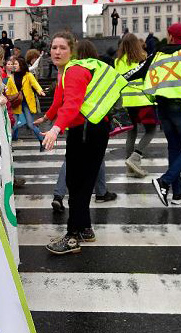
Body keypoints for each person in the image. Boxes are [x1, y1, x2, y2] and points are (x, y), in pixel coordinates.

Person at [36, 36, 124, 254]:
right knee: (80, 181)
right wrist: (47, 116)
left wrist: (56, 129)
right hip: (88, 129)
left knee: (78, 183)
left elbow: (73, 104)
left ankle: (73, 235)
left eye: (62, 48)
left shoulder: (74, 71)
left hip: (87, 129)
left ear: (71, 51)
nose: (56, 51)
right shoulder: (65, 71)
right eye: (53, 47)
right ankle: (85, 228)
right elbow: (59, 100)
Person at [126, 23, 181, 206]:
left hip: (161, 107)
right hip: (180, 107)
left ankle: (178, 193)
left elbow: (135, 72)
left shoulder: (156, 55)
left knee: (174, 148)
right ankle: (164, 181)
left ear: (169, 36)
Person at [114, 33, 158, 177]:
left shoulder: (117, 62)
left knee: (131, 133)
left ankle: (130, 170)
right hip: (143, 100)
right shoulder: (143, 59)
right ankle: (136, 157)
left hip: (127, 102)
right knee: (151, 131)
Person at [10, 55, 46, 144]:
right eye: (13, 64)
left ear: (21, 65)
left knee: (30, 124)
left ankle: (42, 140)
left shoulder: (28, 75)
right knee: (14, 125)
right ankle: (13, 140)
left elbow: (35, 84)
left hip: (26, 103)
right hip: (16, 103)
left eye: (16, 64)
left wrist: (40, 91)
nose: (14, 65)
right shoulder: (11, 77)